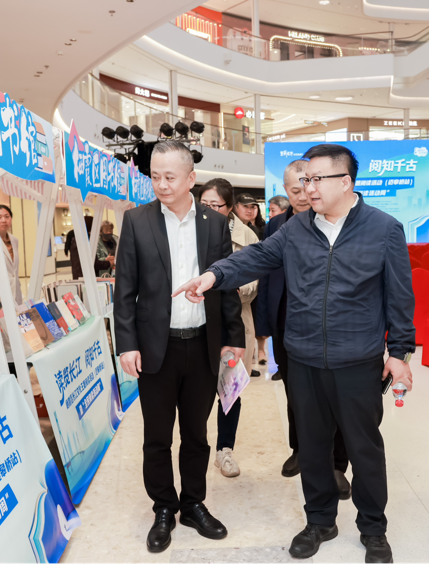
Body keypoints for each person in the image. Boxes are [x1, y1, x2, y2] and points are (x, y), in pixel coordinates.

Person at [174, 144, 416, 564]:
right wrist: (214, 275)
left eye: (317, 179)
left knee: (364, 448)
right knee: (313, 446)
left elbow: (400, 295)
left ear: (346, 181)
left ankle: (373, 528)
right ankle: (319, 520)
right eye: (306, 179)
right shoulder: (296, 228)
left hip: (357, 360)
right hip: (303, 359)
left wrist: (399, 353)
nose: (309, 188)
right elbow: (256, 257)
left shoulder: (384, 229)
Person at [113, 140, 245, 553]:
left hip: (202, 346)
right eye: (155, 176)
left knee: (196, 434)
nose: (162, 185)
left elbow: (226, 285)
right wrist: (126, 344)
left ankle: (193, 504)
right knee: (157, 437)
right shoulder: (137, 220)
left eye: (170, 177)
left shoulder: (214, 224)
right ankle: (164, 508)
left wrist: (234, 339)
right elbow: (124, 290)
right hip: (157, 348)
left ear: (191, 178)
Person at [258, 159, 352, 494]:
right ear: (286, 190)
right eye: (295, 189)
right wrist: (264, 324)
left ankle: (337, 463)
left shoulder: (332, 222)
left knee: (336, 396)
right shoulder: (276, 225)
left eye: (308, 186)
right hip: (286, 321)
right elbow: (265, 272)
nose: (303, 194)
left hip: (327, 326)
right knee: (295, 391)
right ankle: (300, 449)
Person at [198, 178, 260, 478]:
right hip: (200, 321)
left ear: (229, 207)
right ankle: (197, 447)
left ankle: (225, 450)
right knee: (198, 390)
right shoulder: (192, 230)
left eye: (215, 205)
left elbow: (255, 281)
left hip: (234, 323)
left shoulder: (246, 236)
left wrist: (232, 288)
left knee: (229, 390)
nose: (209, 210)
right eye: (204, 204)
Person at [66, 215, 113, 280]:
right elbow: (93, 263)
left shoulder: (77, 239)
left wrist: (105, 260)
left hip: (79, 277)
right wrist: (109, 264)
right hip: (87, 279)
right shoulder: (87, 241)